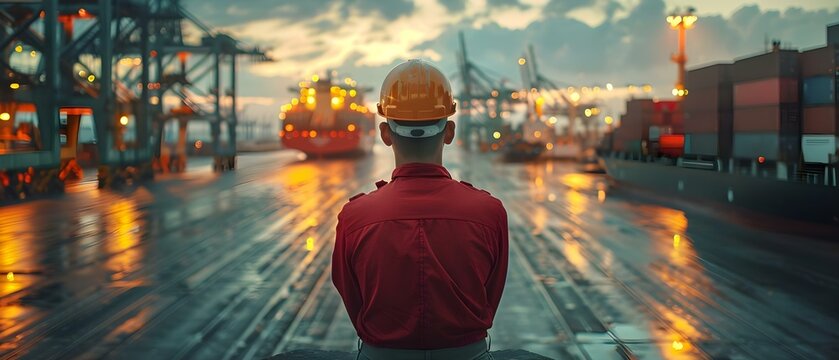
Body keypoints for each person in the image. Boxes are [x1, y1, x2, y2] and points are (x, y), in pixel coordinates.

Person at [332, 59, 509, 360]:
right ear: (449, 131)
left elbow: (354, 300)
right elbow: (489, 299)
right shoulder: (489, 212)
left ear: (386, 134)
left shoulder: (354, 217)